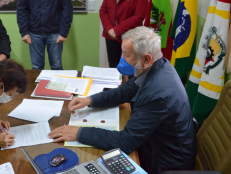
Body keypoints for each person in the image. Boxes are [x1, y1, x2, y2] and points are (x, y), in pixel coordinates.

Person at [49, 27, 196, 173]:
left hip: (165, 163)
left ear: (146, 59)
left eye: (126, 55)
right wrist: (89, 100)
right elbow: (123, 92)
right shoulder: (157, 66)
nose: (122, 58)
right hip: (156, 145)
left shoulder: (157, 94)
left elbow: (125, 142)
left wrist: (78, 133)